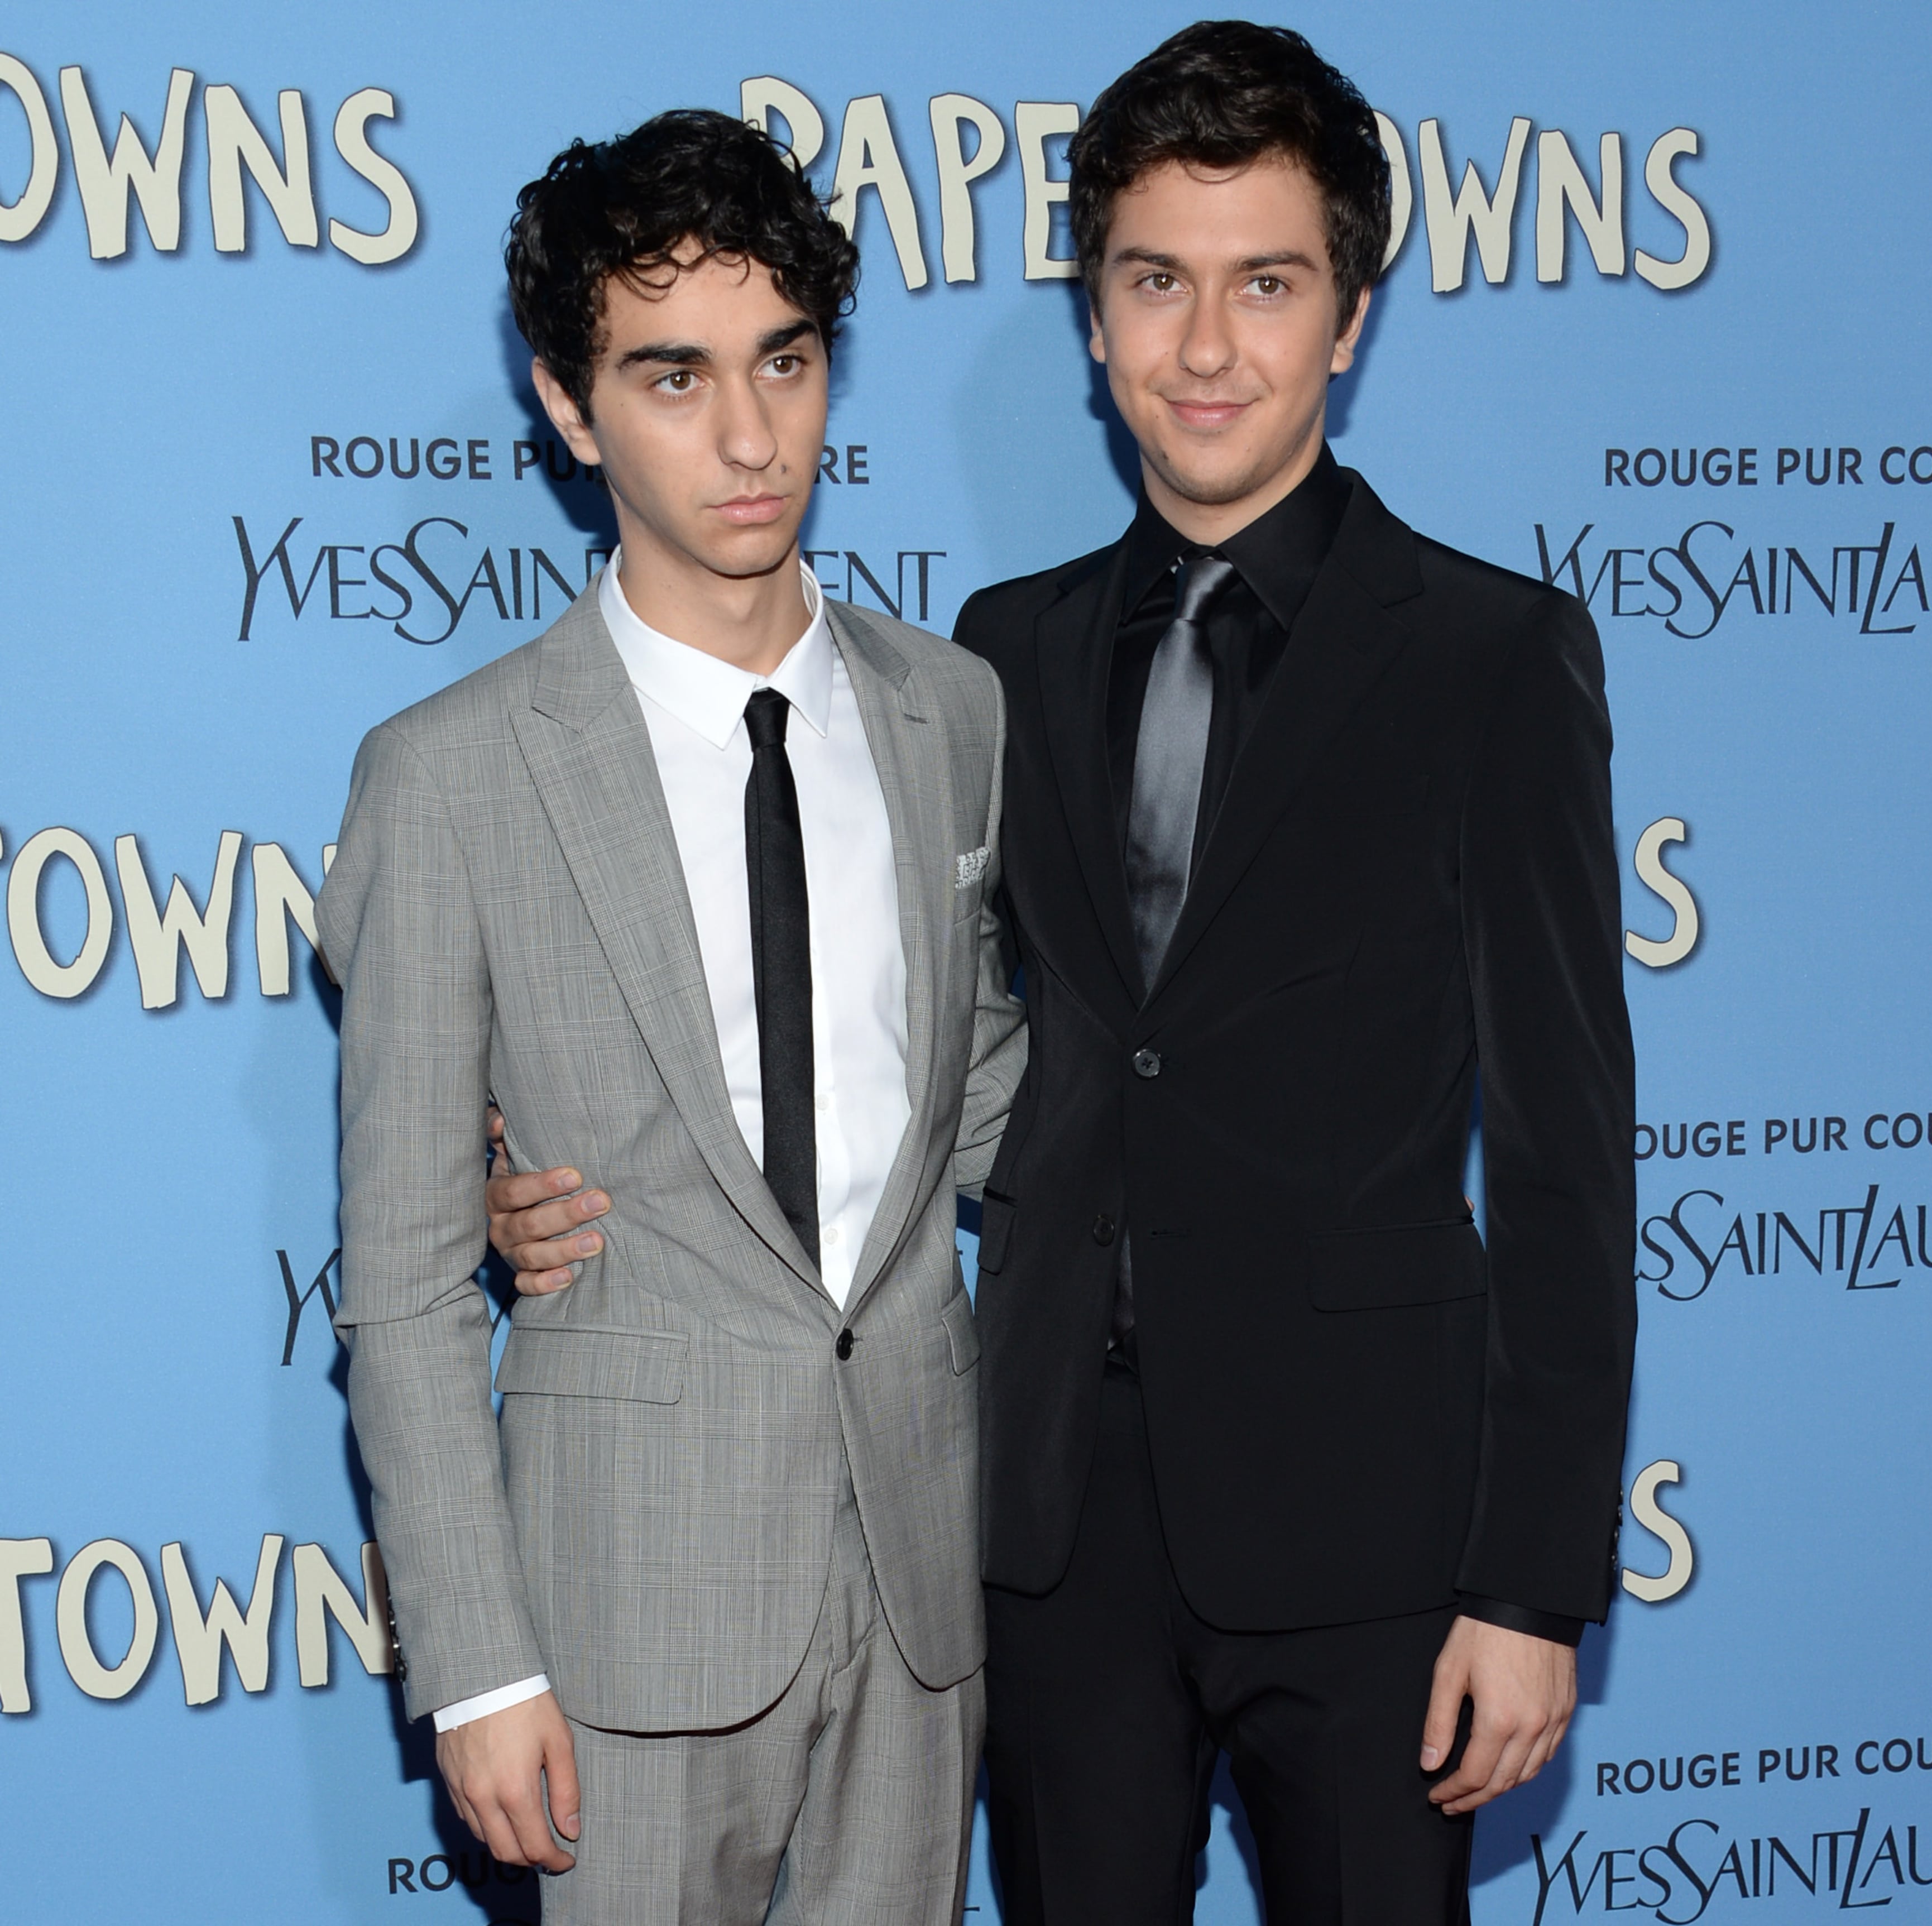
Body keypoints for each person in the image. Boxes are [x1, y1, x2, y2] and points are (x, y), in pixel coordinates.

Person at [491, 22, 1635, 1923]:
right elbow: (864, 1022)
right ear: (1093, 318)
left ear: (1346, 315)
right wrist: (520, 1179)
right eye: (1154, 282)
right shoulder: (987, 663)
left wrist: (1529, 1590)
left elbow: (1569, 1157)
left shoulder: (1490, 660)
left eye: (1265, 284)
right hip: (1035, 1538)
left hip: (1371, 1549)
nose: (1207, 346)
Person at [317, 107, 1025, 1926]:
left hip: (921, 1575)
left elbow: (988, 1094)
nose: (745, 435)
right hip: (619, 1602)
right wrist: (474, 1662)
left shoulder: (956, 714)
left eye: (784, 361)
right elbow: (396, 1280)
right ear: (568, 405)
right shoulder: (451, 775)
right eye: (672, 375)